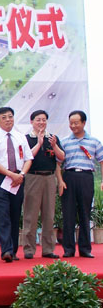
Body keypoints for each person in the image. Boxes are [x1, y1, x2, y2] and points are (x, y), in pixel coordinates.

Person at [0, 107, 33, 262]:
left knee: (15, 214)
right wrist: (10, 175)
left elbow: (28, 159)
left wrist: (21, 175)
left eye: (10, 116)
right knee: (3, 214)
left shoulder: (20, 137)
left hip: (18, 179)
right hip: (1, 179)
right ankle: (6, 250)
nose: (8, 120)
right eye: (4, 117)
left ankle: (14, 251)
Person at [59, 110, 103, 258]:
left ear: (84, 123)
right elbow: (58, 164)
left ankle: (85, 249)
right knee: (68, 214)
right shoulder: (64, 142)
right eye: (71, 123)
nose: (73, 126)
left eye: (76, 123)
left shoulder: (94, 142)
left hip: (86, 177)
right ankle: (68, 249)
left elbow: (102, 161)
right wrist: (60, 181)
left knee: (85, 213)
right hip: (69, 177)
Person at [22, 110, 65, 260]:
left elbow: (61, 157)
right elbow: (26, 157)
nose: (41, 122)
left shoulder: (52, 138)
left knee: (49, 215)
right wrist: (39, 143)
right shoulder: (27, 139)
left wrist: (54, 145)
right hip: (33, 177)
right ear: (32, 122)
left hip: (50, 178)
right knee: (30, 215)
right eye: (38, 120)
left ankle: (48, 249)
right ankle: (29, 249)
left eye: (44, 120)